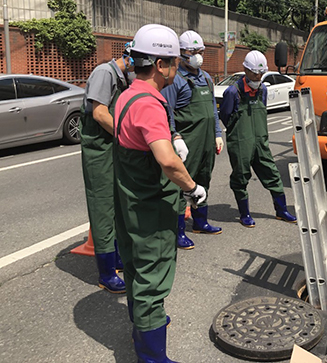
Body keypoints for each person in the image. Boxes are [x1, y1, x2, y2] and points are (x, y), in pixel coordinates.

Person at [113, 23, 207, 362]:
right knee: (153, 279)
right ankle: (152, 356)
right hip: (150, 209)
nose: (178, 67)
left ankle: (145, 330)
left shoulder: (127, 95)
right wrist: (193, 188)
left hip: (130, 205)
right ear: (159, 65)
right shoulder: (150, 104)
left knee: (137, 272)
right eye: (174, 61)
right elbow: (167, 162)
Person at [219, 50, 296, 227]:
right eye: (254, 73)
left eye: (261, 73)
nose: (258, 76)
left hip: (261, 142)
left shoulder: (262, 90)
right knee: (240, 177)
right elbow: (225, 116)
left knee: (272, 174)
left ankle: (281, 210)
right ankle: (244, 213)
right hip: (241, 143)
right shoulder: (233, 92)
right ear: (245, 70)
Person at [161, 30, 223, 250]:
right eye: (193, 51)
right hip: (187, 143)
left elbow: (213, 111)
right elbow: (167, 113)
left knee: (203, 179)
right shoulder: (175, 80)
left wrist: (217, 133)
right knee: (181, 184)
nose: (198, 55)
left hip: (206, 141)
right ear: (182, 53)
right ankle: (177, 232)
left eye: (201, 51)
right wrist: (174, 138)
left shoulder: (206, 77)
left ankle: (200, 222)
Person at [80, 42, 133, 294]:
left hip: (112, 148)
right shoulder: (105, 73)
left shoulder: (123, 79)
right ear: (130, 59)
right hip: (99, 151)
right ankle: (106, 272)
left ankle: (116, 258)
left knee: (117, 205)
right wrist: (126, 136)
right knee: (103, 207)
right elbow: (100, 113)